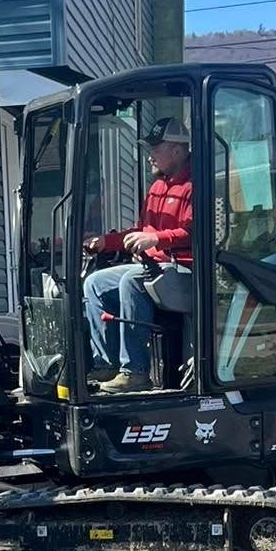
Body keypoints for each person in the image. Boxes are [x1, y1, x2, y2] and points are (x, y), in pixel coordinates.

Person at [82, 117, 193, 392]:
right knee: (94, 283)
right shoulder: (157, 187)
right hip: (155, 268)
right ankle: (107, 364)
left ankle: (135, 372)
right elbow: (142, 230)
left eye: (155, 150)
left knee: (131, 281)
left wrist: (156, 238)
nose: (149, 157)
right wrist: (105, 242)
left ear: (176, 151)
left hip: (185, 271)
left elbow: (195, 232)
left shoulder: (194, 186)